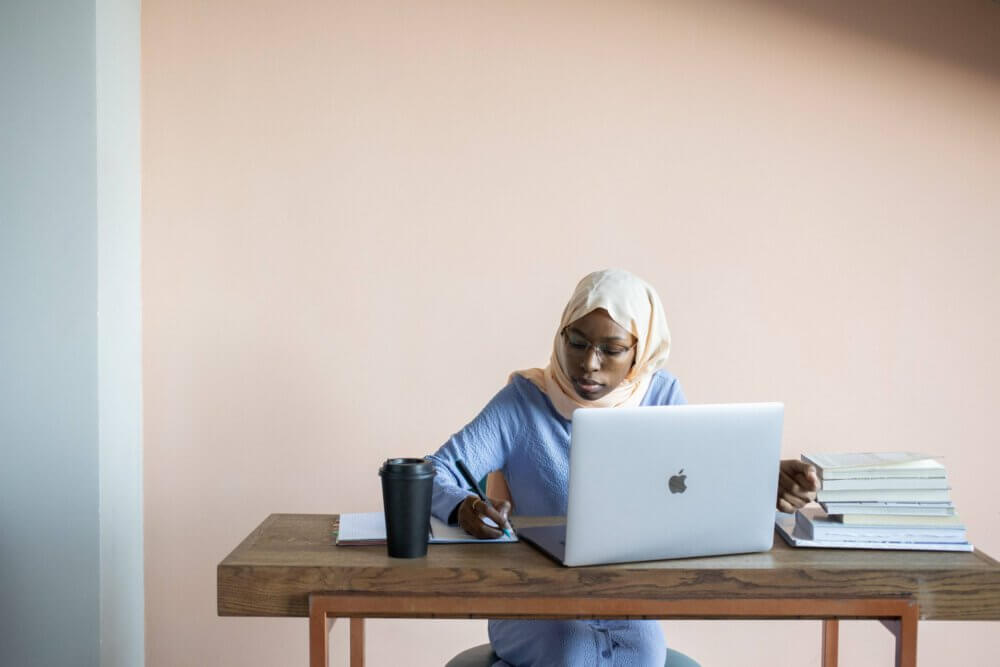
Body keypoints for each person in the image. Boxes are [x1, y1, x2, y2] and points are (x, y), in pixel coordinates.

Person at [426, 269, 818, 667]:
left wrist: (762, 481)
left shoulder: (661, 395)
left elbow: (697, 485)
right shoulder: (522, 402)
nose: (588, 364)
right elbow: (433, 471)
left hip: (627, 600)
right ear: (560, 335)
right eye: (576, 343)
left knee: (644, 654)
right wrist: (464, 507)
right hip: (535, 600)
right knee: (570, 653)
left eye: (611, 350)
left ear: (638, 350)